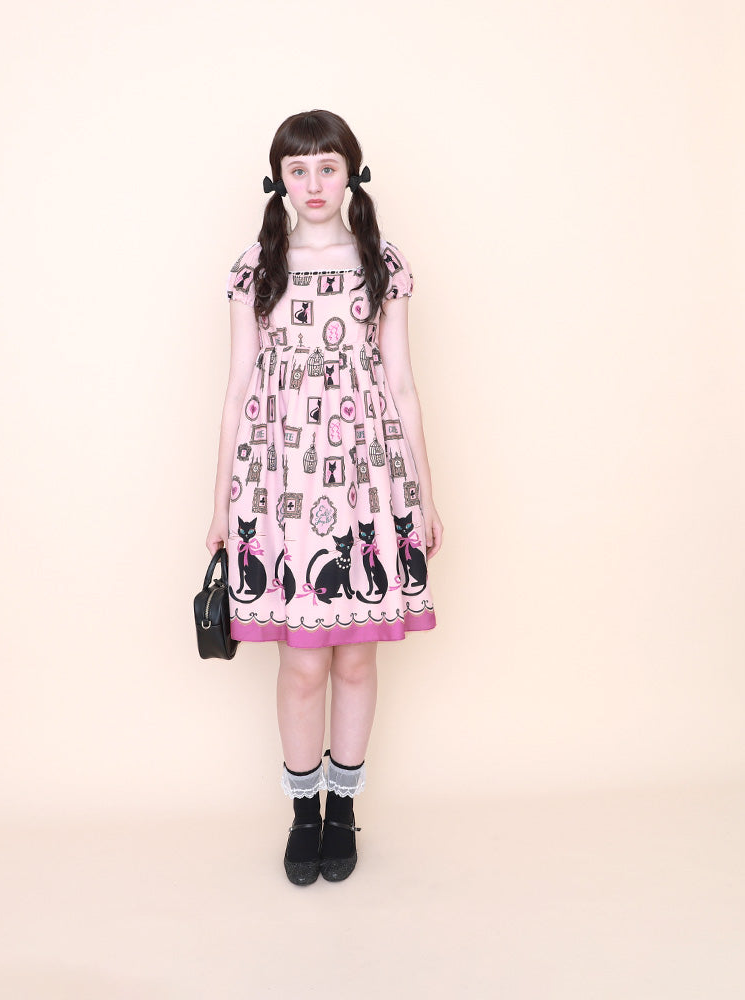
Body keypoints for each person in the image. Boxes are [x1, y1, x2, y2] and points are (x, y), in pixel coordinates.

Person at [205, 109, 443, 885]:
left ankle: (343, 807)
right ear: (278, 178)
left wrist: (424, 496)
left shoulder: (382, 262)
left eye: (328, 167)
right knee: (303, 664)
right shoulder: (257, 267)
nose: (313, 184)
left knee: (356, 659)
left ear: (351, 174)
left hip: (368, 476)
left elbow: (402, 385)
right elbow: (238, 391)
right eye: (298, 169)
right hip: (280, 481)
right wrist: (221, 506)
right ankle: (303, 812)